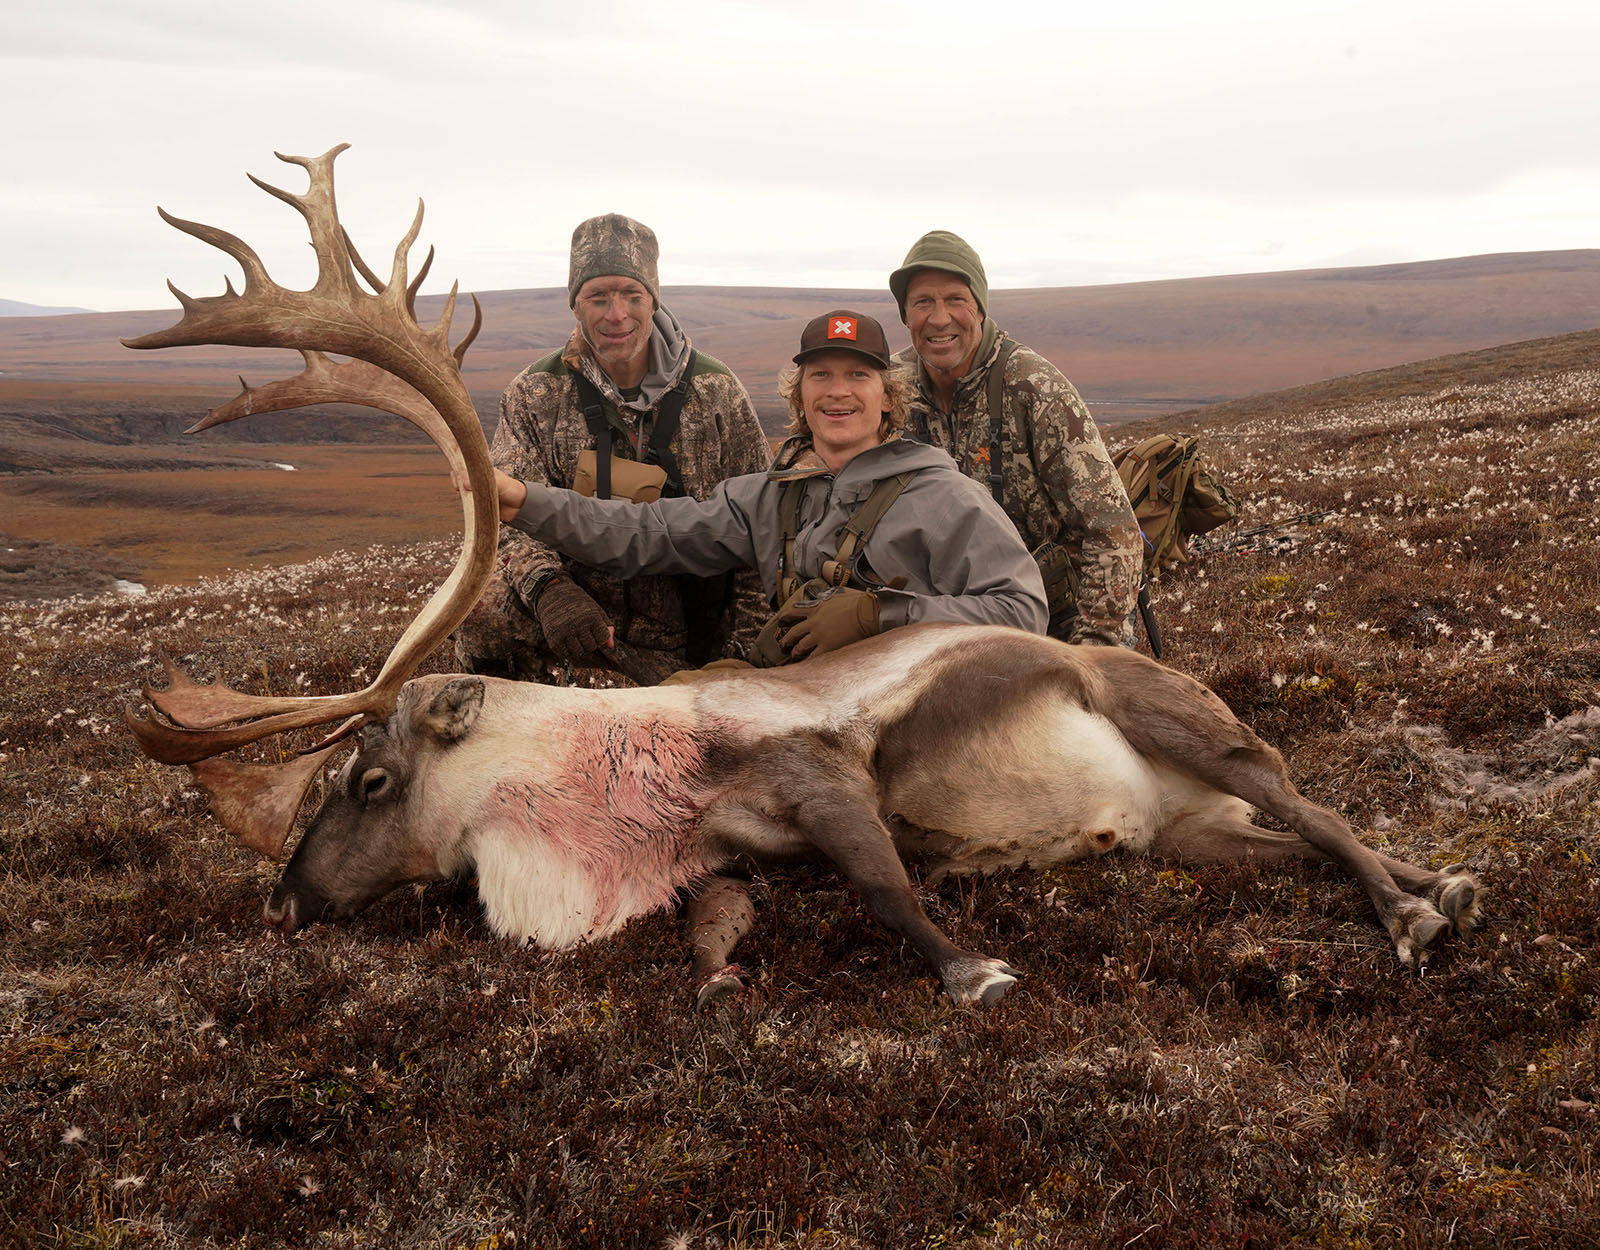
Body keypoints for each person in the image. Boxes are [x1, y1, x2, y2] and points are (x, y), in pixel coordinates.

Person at [492, 310, 1047, 665]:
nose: (838, 393)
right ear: (799, 396)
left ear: (888, 397)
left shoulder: (946, 499)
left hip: (915, 717)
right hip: (810, 712)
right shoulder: (769, 498)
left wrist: (880, 616)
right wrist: (523, 500)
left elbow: (1023, 611)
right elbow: (645, 532)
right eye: (820, 376)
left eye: (858, 376)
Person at [453, 213, 771, 685]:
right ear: (575, 305)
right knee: (480, 615)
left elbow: (760, 527)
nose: (616, 314)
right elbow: (505, 514)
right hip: (583, 623)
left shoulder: (717, 392)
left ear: (653, 300)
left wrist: (745, 657)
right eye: (597, 297)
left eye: (631, 295)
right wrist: (550, 590)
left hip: (689, 636)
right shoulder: (534, 393)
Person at [888, 230, 1143, 646]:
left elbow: (1113, 532)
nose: (938, 318)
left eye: (955, 299)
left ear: (980, 308)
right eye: (922, 302)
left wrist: (1095, 648)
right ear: (905, 315)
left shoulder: (1034, 387)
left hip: (1049, 620)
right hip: (935, 617)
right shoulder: (888, 389)